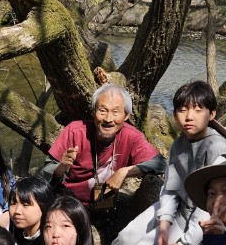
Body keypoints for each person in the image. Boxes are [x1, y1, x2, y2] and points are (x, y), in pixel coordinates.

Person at [105, 80, 226, 245]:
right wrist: (163, 223)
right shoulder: (179, 144)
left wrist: (184, 244)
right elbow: (171, 189)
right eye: (182, 110)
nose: (189, 117)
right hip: (176, 209)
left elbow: (212, 205)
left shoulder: (217, 147)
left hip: (198, 217)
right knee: (127, 235)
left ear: (212, 113)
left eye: (198, 110)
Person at [43, 83, 165, 214]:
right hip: (69, 202)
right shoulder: (74, 131)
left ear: (126, 115)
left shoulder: (132, 137)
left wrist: (123, 172)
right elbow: (46, 173)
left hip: (105, 204)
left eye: (116, 112)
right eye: (102, 110)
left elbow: (160, 164)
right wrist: (62, 167)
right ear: (93, 111)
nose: (108, 119)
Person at [8, 175, 54, 245]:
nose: (17, 211)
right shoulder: (14, 237)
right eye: (13, 203)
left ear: (44, 205)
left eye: (25, 205)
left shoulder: (51, 244)